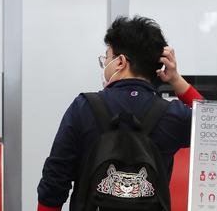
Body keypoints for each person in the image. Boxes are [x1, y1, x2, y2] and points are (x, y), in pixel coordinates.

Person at [37, 16, 203, 211]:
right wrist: (176, 80)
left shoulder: (83, 107)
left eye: (106, 57)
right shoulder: (172, 115)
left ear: (120, 62)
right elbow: (215, 125)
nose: (104, 63)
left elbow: (55, 180)